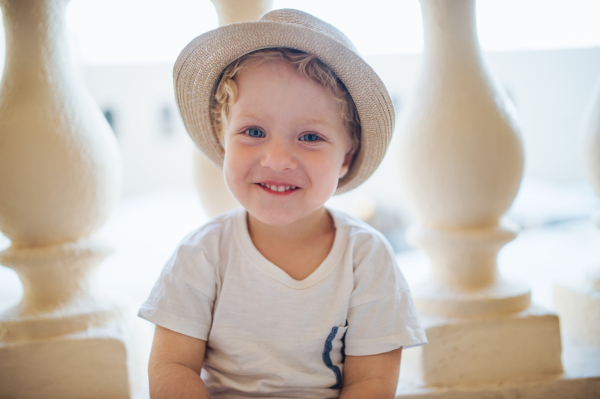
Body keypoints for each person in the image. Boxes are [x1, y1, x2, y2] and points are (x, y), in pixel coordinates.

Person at [139, 8, 427, 399]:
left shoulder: (367, 259)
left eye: (310, 137)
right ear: (224, 140)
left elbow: (371, 382)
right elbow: (171, 368)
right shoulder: (202, 254)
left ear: (345, 158)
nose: (277, 159)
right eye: (253, 131)